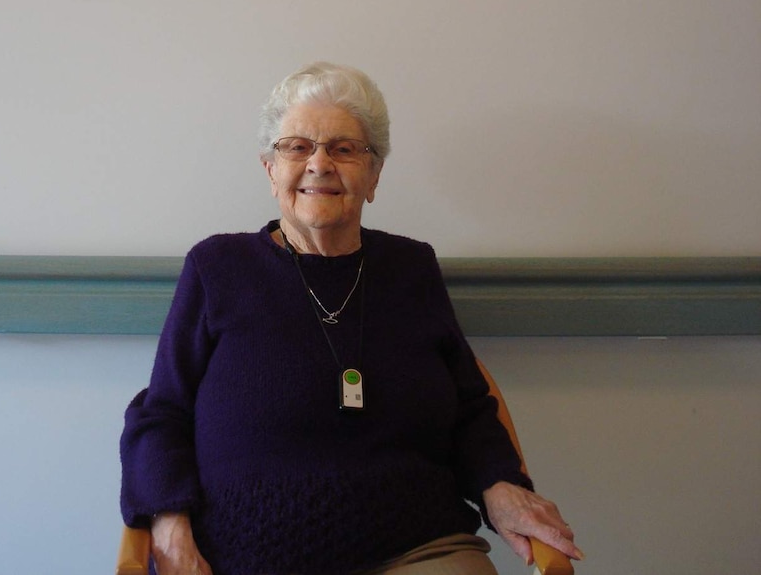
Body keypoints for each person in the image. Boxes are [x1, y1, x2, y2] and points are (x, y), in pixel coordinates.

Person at [120, 61, 583, 575]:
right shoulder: (217, 267)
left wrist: (501, 486)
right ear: (270, 170)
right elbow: (163, 412)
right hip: (250, 551)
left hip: (418, 545)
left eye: (344, 149)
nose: (319, 164)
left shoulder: (411, 268)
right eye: (297, 147)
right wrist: (167, 522)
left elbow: (471, 406)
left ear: (375, 175)